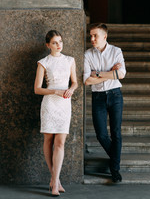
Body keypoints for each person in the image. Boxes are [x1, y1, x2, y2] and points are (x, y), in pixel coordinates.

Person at [34, 30, 78, 196]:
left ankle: (55, 180)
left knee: (60, 142)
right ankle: (55, 181)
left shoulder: (69, 60)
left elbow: (74, 82)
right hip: (50, 103)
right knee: (48, 139)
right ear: (48, 45)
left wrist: (71, 89)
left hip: (65, 104)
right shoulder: (43, 62)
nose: (59, 45)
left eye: (60, 41)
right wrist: (55, 92)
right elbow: (37, 89)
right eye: (54, 42)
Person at [83, 23, 126, 183]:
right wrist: (110, 73)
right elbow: (87, 81)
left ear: (105, 36)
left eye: (95, 35)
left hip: (115, 95)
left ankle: (115, 169)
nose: (92, 39)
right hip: (98, 97)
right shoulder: (88, 54)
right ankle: (116, 159)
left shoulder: (116, 51)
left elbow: (121, 74)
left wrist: (99, 73)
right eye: (91, 36)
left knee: (116, 133)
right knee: (101, 134)